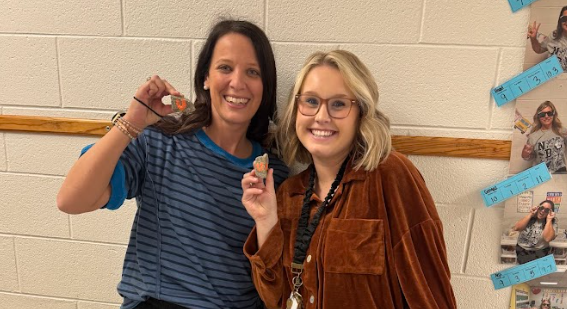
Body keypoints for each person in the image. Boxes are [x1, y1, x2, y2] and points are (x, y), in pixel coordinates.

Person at [57, 20, 288, 309]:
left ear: (265, 87)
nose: (238, 82)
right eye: (225, 68)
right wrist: (131, 123)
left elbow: (276, 279)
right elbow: (71, 200)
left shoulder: (274, 176)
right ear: (205, 77)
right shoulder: (159, 142)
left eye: (252, 72)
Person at [240, 50, 456, 308]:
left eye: (339, 104)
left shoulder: (391, 176)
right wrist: (265, 221)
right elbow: (275, 298)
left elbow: (430, 293)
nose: (321, 116)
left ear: (361, 114)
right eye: (310, 101)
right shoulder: (288, 195)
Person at [521, 101, 567, 173]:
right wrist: (525, 155)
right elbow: (530, 157)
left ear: (554, 114)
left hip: (560, 174)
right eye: (542, 114)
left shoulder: (563, 131)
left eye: (549, 113)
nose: (546, 116)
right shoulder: (533, 136)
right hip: (541, 175)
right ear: (538, 116)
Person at [514, 200, 557, 265]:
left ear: (550, 212)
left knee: (536, 270)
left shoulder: (552, 222)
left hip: (540, 252)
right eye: (541, 208)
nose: (543, 211)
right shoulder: (529, 217)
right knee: (524, 269)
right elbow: (517, 228)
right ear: (538, 208)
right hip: (522, 250)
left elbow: (548, 238)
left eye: (547, 210)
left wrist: (549, 220)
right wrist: (531, 214)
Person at [528, 6, 567, 71]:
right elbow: (538, 49)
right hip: (552, 77)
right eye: (564, 18)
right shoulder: (554, 35)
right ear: (560, 20)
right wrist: (533, 39)